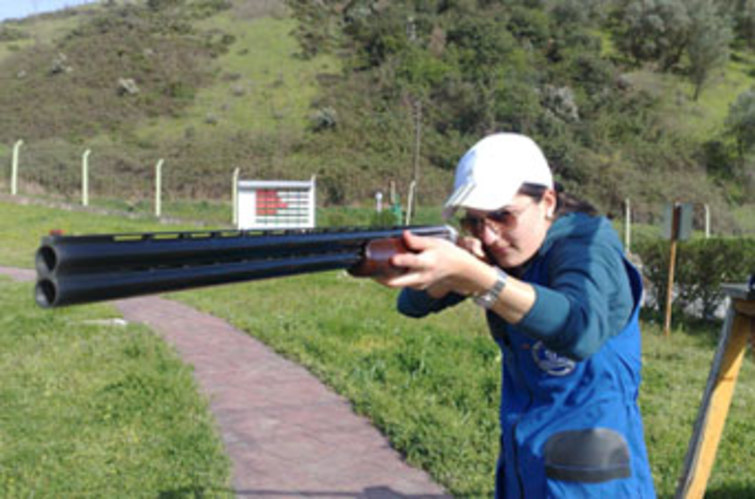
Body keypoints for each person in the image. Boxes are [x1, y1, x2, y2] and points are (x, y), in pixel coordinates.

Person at [378, 133, 656, 498]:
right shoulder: (507, 255)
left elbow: (580, 330)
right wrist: (453, 269)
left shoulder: (588, 246)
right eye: (474, 222)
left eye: (502, 216)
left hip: (594, 478)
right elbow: (411, 304)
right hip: (523, 463)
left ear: (547, 202)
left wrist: (481, 279)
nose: (490, 236)